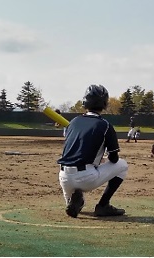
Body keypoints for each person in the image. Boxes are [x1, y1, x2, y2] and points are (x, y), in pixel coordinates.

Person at [57, 85, 128, 218]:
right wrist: (102, 160)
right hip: (86, 177)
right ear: (104, 104)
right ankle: (103, 205)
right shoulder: (105, 125)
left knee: (78, 206)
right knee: (123, 165)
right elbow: (114, 159)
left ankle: (76, 199)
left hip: (64, 177)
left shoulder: (73, 122)